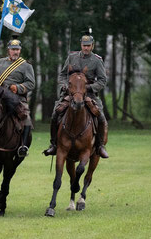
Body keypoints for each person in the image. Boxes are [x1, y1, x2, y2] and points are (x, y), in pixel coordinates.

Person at [43, 29, 109, 159]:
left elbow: (102, 81)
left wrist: (88, 87)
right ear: (81, 45)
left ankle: (100, 146)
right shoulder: (72, 57)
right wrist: (64, 85)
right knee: (55, 113)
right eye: (84, 46)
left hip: (89, 94)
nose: (86, 48)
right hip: (71, 93)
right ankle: (54, 144)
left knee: (100, 117)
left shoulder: (96, 61)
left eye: (88, 46)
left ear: (92, 46)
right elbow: (62, 74)